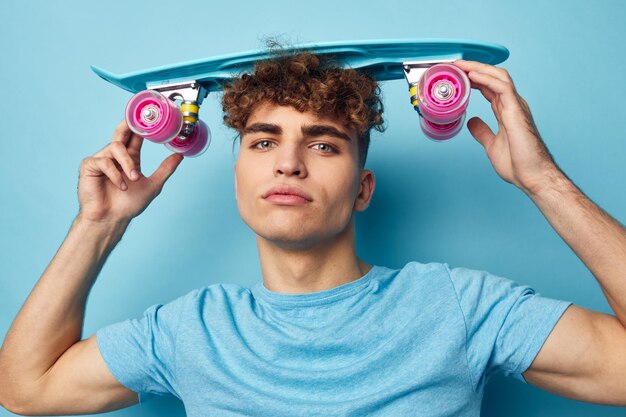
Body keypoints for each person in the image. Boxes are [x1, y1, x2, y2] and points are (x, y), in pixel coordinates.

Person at [0, 49, 625, 417]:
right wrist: (98, 226)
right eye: (264, 141)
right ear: (238, 175)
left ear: (362, 188)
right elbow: (26, 389)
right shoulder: (194, 331)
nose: (288, 162)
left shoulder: (456, 308)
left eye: (323, 144)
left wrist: (544, 182)